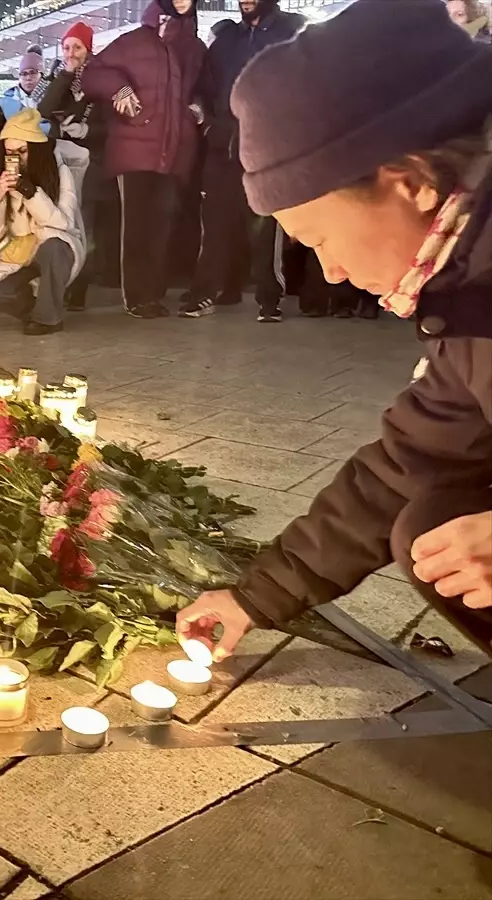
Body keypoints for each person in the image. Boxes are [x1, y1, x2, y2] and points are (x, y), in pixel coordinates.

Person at [176, 0, 492, 661]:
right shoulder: (467, 291)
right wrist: (254, 598)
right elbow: (410, 463)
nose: (335, 270)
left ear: (409, 183)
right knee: (430, 523)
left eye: (321, 238)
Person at [176, 0, 304, 321]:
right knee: (215, 223)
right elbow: (204, 89)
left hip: (268, 149)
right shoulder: (225, 41)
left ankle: (269, 299)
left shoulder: (292, 33)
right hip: (224, 148)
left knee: (265, 228)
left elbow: (307, 85)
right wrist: (205, 119)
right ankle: (205, 292)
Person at [81, 0, 206, 319]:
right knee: (137, 225)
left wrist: (198, 107)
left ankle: (152, 293)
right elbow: (93, 73)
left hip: (175, 148)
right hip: (135, 147)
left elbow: (204, 88)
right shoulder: (134, 40)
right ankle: (137, 297)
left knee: (162, 225)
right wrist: (119, 89)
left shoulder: (194, 46)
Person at [0, 109, 88, 335]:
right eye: (10, 152)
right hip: (21, 255)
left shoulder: (59, 172)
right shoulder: (2, 178)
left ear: (35, 150)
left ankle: (49, 319)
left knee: (54, 247)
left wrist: (32, 194)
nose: (16, 158)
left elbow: (64, 223)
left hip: (57, 247)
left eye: (22, 151)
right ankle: (37, 312)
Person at [38, 21, 104, 311]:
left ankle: (80, 288)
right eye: (66, 47)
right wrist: (64, 74)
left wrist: (86, 130)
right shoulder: (59, 77)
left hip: (90, 163)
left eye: (77, 47)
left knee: (85, 225)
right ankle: (60, 283)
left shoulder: (101, 78)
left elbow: (109, 122)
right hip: (60, 159)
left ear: (88, 48)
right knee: (60, 221)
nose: (71, 52)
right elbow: (43, 108)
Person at [0, 45, 47, 120]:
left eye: (33, 72)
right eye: (24, 73)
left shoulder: (53, 98)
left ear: (41, 75)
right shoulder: (6, 102)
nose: (28, 78)